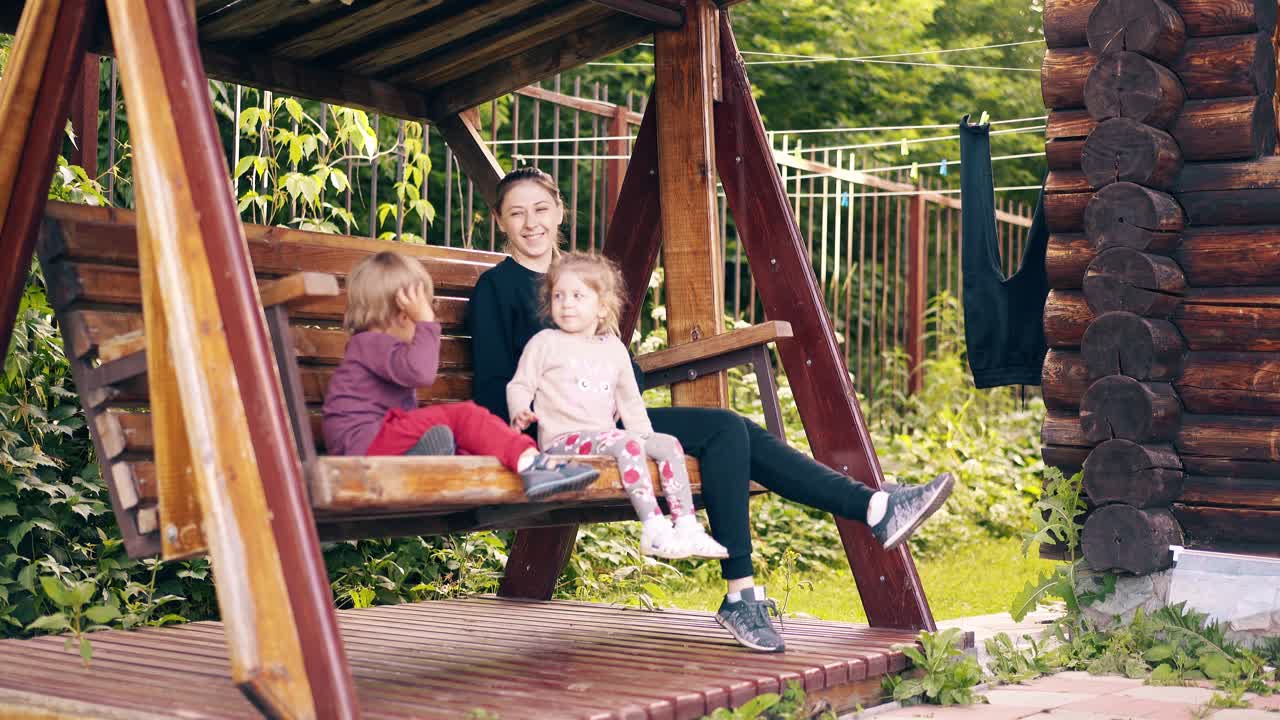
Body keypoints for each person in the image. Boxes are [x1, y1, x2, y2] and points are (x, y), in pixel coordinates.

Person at [466, 167, 955, 653]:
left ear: (560, 211)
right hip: (559, 434)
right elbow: (492, 389)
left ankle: (872, 509)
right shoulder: (496, 289)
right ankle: (767, 577)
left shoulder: (578, 283)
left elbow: (627, 380)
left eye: (541, 209)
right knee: (728, 430)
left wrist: (606, 352)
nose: (531, 223)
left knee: (731, 430)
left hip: (614, 421)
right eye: (516, 213)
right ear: (499, 221)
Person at [322, 250, 600, 500]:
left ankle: (438, 454)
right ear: (402, 314)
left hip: (372, 443)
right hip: (365, 446)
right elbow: (421, 372)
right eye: (421, 310)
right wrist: (426, 324)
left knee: (448, 436)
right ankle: (531, 463)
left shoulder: (373, 348)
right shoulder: (370, 343)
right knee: (464, 415)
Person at [507, 251, 730, 560]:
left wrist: (644, 437)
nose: (566, 303)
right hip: (563, 442)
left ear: (601, 308)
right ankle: (653, 527)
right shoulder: (545, 342)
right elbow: (520, 384)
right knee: (624, 443)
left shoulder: (613, 348)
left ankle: (686, 525)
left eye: (577, 295)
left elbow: (629, 399)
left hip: (603, 438)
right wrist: (519, 407)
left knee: (668, 445)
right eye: (558, 296)